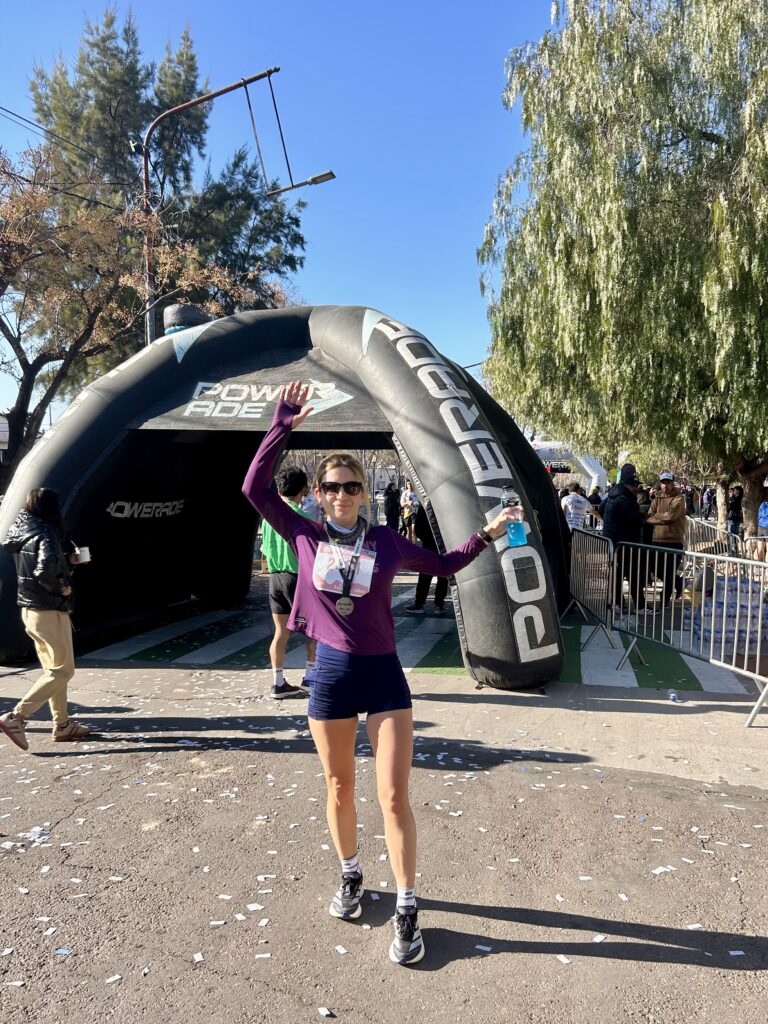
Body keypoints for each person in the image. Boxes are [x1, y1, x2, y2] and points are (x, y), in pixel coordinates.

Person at [241, 380, 521, 967]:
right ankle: (349, 875)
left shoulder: (388, 541)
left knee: (394, 798)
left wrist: (487, 536)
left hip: (385, 678)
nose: (342, 495)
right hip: (332, 677)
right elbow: (253, 487)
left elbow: (444, 565)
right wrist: (282, 423)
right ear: (317, 495)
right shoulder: (305, 533)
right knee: (338, 787)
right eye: (332, 487)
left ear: (365, 493)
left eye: (352, 487)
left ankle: (407, 905)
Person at [0, 488, 90, 751]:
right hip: (50, 609)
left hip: (30, 611)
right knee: (63, 670)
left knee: (53, 670)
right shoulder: (47, 533)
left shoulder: (23, 530)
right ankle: (16, 717)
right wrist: (62, 586)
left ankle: (62, 725)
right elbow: (44, 569)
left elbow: (38, 564)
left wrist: (67, 561)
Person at [261, 466, 318, 699]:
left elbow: (264, 548)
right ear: (303, 489)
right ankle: (310, 680)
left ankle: (278, 683)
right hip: (298, 579)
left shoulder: (267, 516)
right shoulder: (302, 517)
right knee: (314, 633)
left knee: (280, 633)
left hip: (275, 578)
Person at [599, 464, 644, 607]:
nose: (636, 488)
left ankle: (618, 603)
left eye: (637, 484)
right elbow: (635, 518)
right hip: (624, 541)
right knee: (632, 574)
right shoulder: (625, 498)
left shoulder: (613, 493)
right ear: (627, 484)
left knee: (617, 573)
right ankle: (638, 604)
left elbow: (601, 508)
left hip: (615, 541)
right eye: (634, 485)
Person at [645, 471, 687, 605]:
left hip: (674, 541)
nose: (665, 486)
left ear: (673, 483)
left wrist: (657, 516)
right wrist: (662, 518)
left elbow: (671, 516)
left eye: (668, 482)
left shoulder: (679, 498)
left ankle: (664, 600)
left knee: (669, 572)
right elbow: (648, 517)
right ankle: (679, 582)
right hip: (657, 540)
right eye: (663, 482)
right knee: (653, 567)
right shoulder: (656, 497)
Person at [405, 504, 448, 615]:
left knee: (424, 576)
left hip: (429, 544)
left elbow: (418, 528)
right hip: (444, 543)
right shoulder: (445, 502)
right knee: (443, 574)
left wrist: (425, 538)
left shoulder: (426, 504)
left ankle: (419, 604)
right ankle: (439, 604)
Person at [756, 490, 768, 562]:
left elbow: (759, 515)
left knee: (760, 548)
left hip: (760, 527)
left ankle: (755, 567)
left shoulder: (763, 504)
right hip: (767, 527)